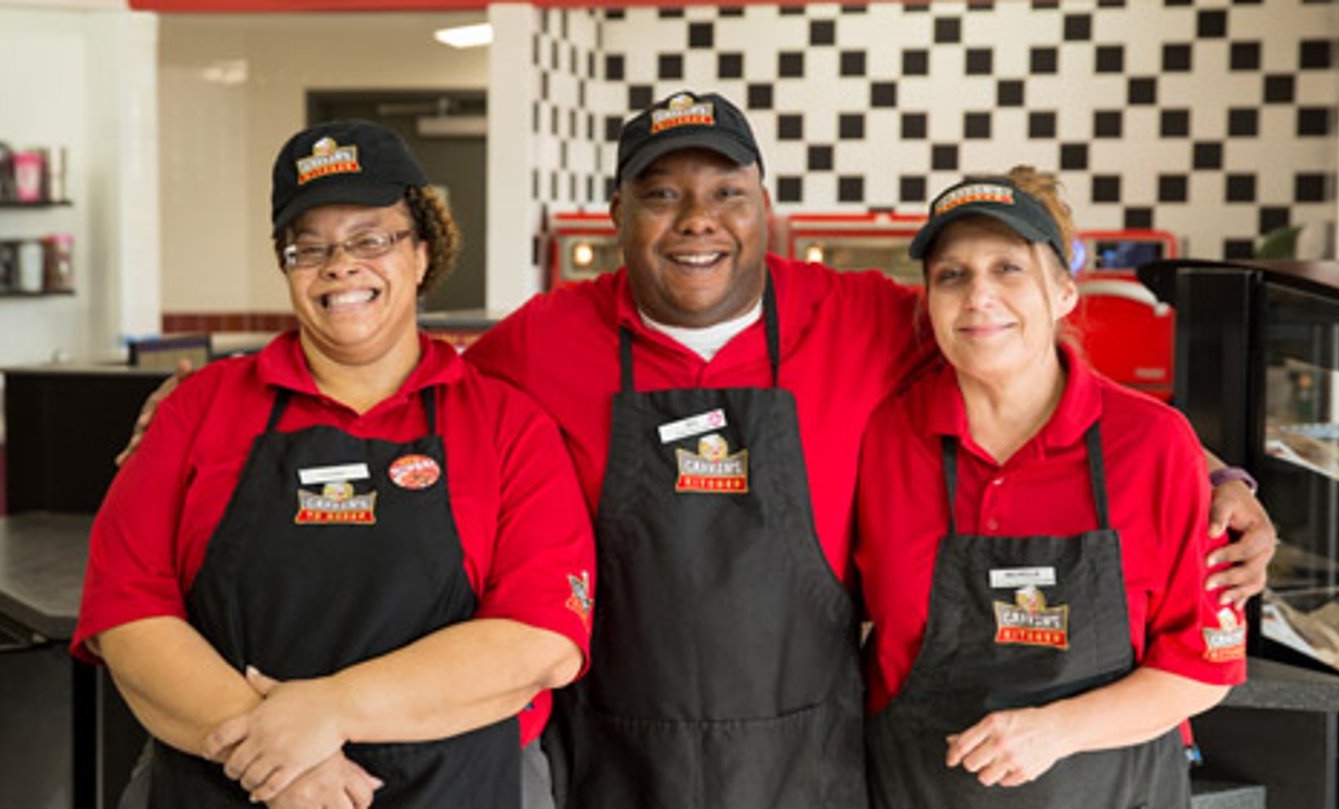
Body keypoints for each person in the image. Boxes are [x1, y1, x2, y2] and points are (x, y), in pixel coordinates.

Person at [121, 93, 1276, 809]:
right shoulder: (535, 348)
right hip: (613, 747)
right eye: (660, 192)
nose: (696, 218)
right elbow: (388, 396)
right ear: (617, 212)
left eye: (725, 188)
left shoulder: (862, 317)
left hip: (810, 754)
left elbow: (1016, 363)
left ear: (764, 202)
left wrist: (1214, 480)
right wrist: (183, 414)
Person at [72, 120, 595, 809]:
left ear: (422, 251)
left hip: (463, 786)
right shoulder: (199, 408)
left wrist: (324, 713)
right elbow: (128, 611)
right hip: (222, 781)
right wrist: (288, 765)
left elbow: (541, 640)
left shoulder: (506, 425)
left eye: (371, 239)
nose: (339, 265)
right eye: (309, 247)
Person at [855, 168, 1246, 808]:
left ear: (1064, 291)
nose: (978, 295)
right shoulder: (884, 439)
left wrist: (1055, 731)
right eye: (952, 274)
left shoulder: (1154, 445)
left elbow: (1204, 664)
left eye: (1008, 268)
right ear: (928, 300)